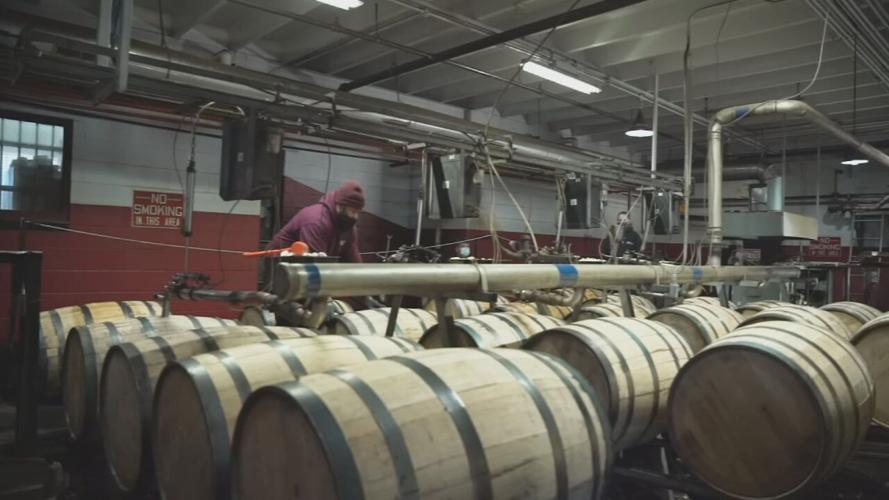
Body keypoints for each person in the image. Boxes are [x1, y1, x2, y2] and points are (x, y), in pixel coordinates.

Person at [269, 180, 365, 262]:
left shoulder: (348, 227)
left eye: (358, 212)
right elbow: (316, 267)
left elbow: (354, 262)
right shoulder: (316, 221)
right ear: (340, 206)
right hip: (278, 265)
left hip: (302, 268)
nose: (355, 216)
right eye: (353, 211)